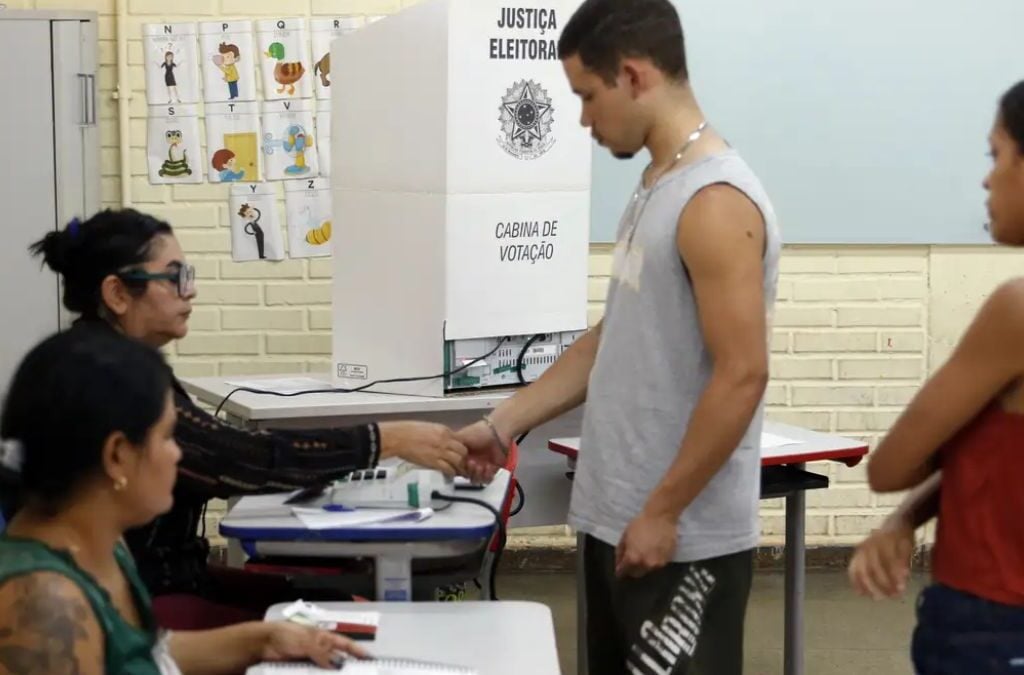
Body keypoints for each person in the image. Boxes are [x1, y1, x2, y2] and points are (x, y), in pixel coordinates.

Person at [459, 1, 780, 672]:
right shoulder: (655, 185)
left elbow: (743, 373)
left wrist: (663, 511)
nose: (582, 119)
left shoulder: (715, 202)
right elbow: (615, 336)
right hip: (617, 517)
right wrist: (503, 421)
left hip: (680, 536)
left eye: (587, 95)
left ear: (633, 77)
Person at [27, 208, 470, 629]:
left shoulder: (111, 359)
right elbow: (237, 461)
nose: (191, 290)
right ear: (118, 294)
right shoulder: (110, 378)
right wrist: (383, 440)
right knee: (336, 623)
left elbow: (227, 452)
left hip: (170, 579)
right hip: (144, 598)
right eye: (176, 277)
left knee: (333, 603)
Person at [0, 328, 369, 675]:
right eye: (166, 437)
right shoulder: (45, 603)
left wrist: (263, 638)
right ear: (117, 456)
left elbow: (146, 655)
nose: (177, 454)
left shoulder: (102, 543)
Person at [849, 80, 1024, 673]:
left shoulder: (1016, 311)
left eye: (995, 155)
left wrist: (900, 507)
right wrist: (909, 517)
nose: (986, 178)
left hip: (995, 625)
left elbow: (891, 466)